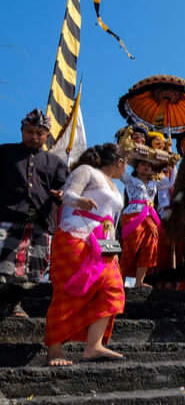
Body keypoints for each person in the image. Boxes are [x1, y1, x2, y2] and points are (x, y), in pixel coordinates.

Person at [45, 143, 127, 366]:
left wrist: (114, 248)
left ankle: (94, 346)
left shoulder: (115, 187)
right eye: (126, 163)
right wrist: (80, 201)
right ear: (120, 162)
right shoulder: (87, 171)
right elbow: (68, 194)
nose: (126, 169)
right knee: (68, 290)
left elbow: (113, 219)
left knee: (113, 289)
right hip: (76, 235)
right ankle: (54, 350)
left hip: (104, 241)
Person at [0, 109, 67, 317]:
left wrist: (62, 193)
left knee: (32, 270)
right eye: (30, 132)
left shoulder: (55, 163)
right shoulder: (4, 153)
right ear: (21, 131)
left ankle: (14, 304)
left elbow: (66, 187)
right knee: (3, 266)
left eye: (40, 133)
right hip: (7, 218)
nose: (34, 137)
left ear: (47, 135)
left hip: (40, 222)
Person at [119, 158, 170, 288]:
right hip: (133, 215)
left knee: (150, 247)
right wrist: (124, 157)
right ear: (136, 168)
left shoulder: (155, 183)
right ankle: (120, 281)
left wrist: (169, 166)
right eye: (142, 165)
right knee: (131, 247)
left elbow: (170, 182)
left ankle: (139, 282)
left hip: (150, 216)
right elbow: (120, 171)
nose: (146, 168)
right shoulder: (130, 180)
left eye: (149, 165)